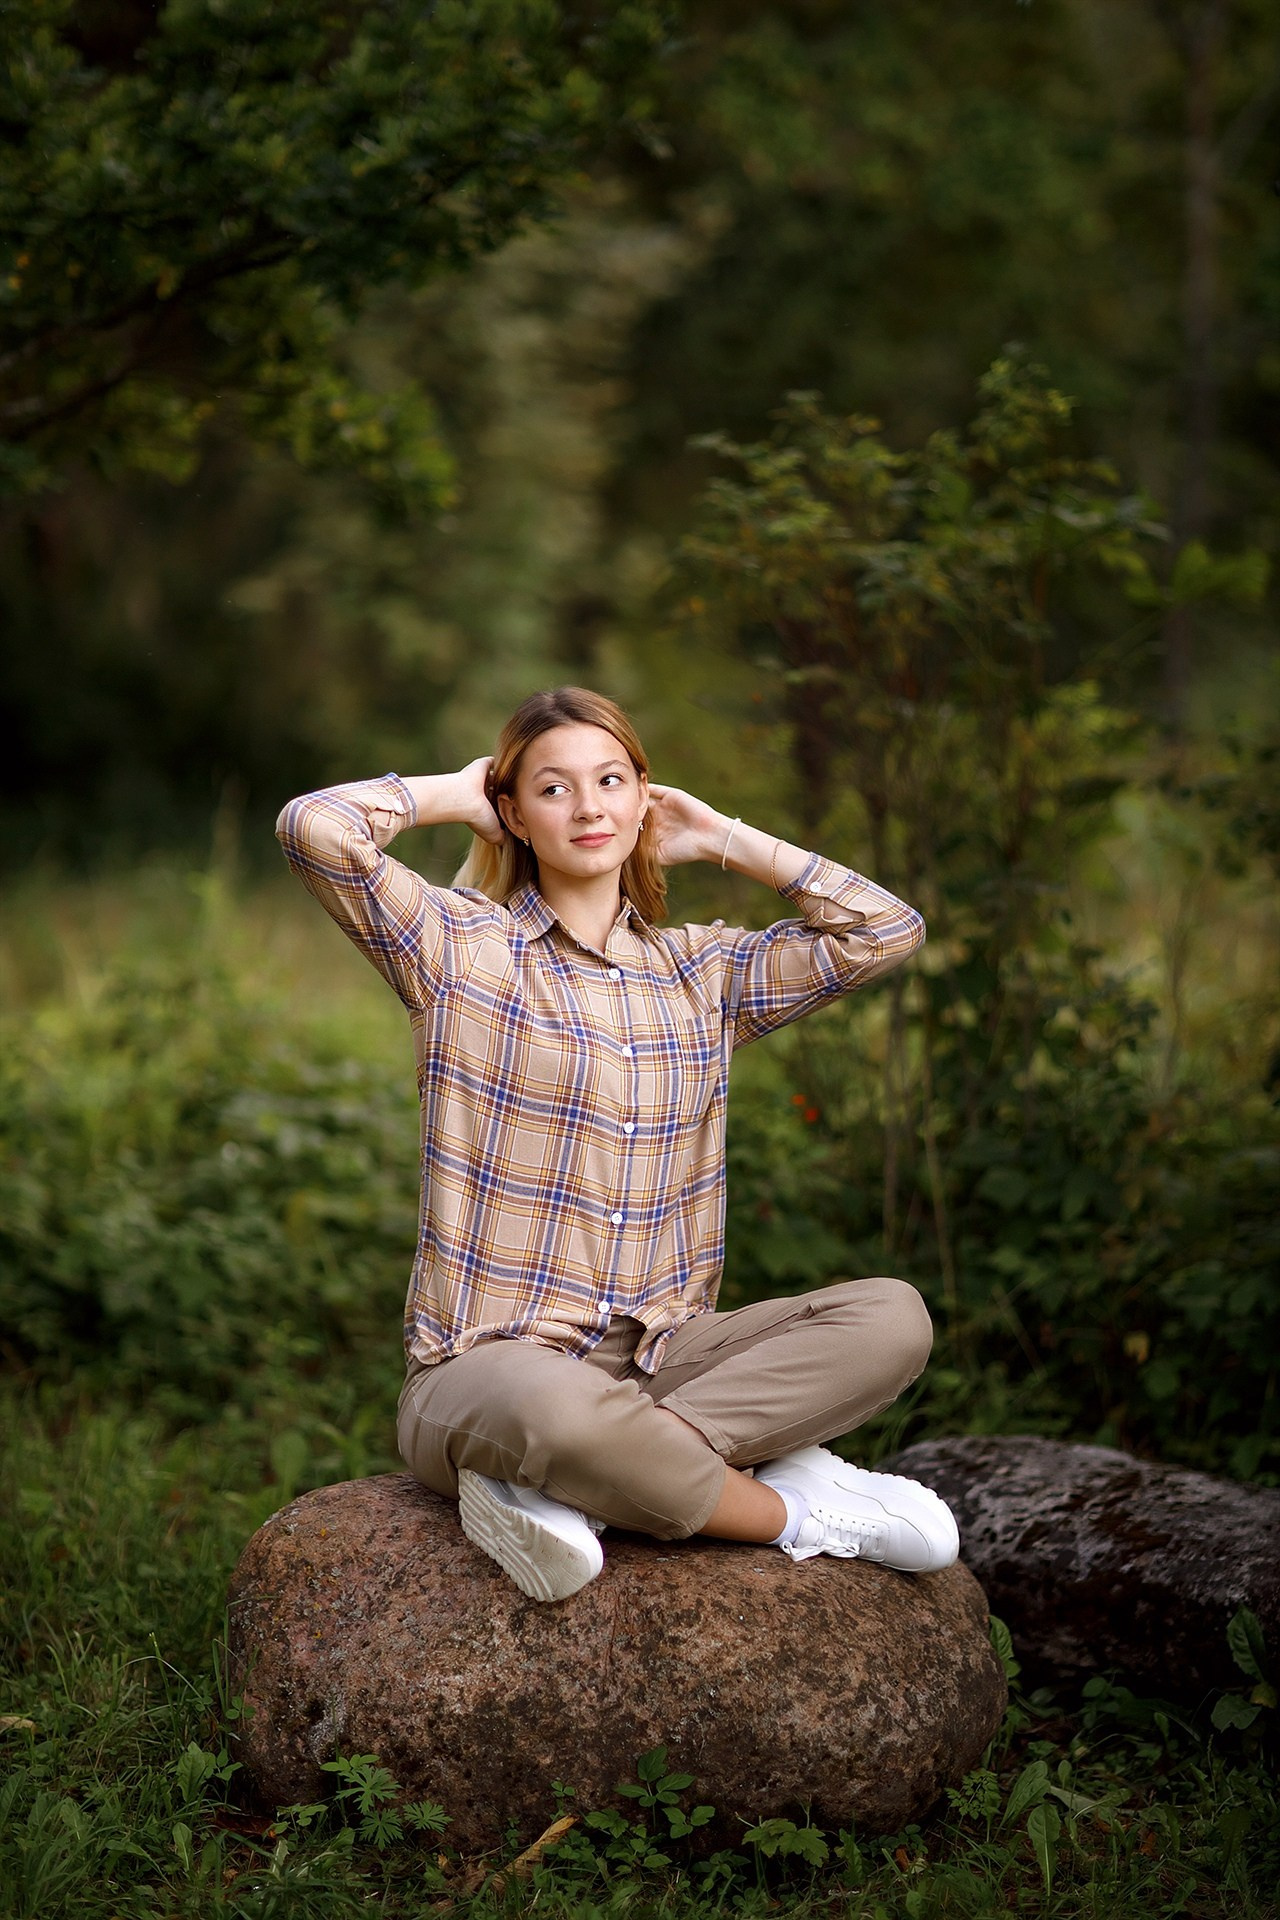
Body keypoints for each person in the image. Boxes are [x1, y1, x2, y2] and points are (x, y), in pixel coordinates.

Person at [276, 686, 959, 1603]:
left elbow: (884, 929)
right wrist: (457, 790)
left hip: (664, 1356)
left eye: (610, 781)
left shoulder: (702, 975)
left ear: (645, 797)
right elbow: (313, 829)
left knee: (892, 1317)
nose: (589, 807)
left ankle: (583, 1482)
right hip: (490, 1365)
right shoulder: (456, 947)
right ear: (514, 814)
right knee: (554, 1408)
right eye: (552, 790)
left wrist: (724, 838)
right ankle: (788, 1509)